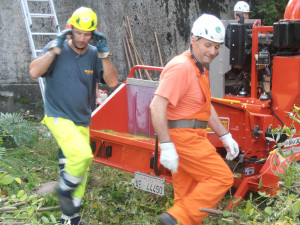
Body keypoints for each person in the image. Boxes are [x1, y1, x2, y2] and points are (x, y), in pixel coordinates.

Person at [29, 7, 118, 225]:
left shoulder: (94, 55)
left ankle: (71, 220)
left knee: (80, 170)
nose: (82, 38)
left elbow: (113, 82)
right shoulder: (56, 48)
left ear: (93, 34)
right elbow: (34, 72)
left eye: (87, 34)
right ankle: (62, 189)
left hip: (81, 120)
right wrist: (53, 51)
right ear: (70, 29)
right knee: (83, 156)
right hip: (58, 116)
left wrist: (104, 53)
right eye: (78, 33)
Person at [150, 14, 239, 225]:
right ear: (193, 40)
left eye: (217, 47)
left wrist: (225, 136)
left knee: (187, 197)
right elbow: (156, 106)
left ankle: (179, 218)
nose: (212, 52)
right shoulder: (182, 67)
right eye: (208, 45)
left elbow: (206, 109)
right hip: (184, 139)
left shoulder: (199, 71)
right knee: (222, 178)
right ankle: (174, 219)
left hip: (191, 136)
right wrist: (167, 145)